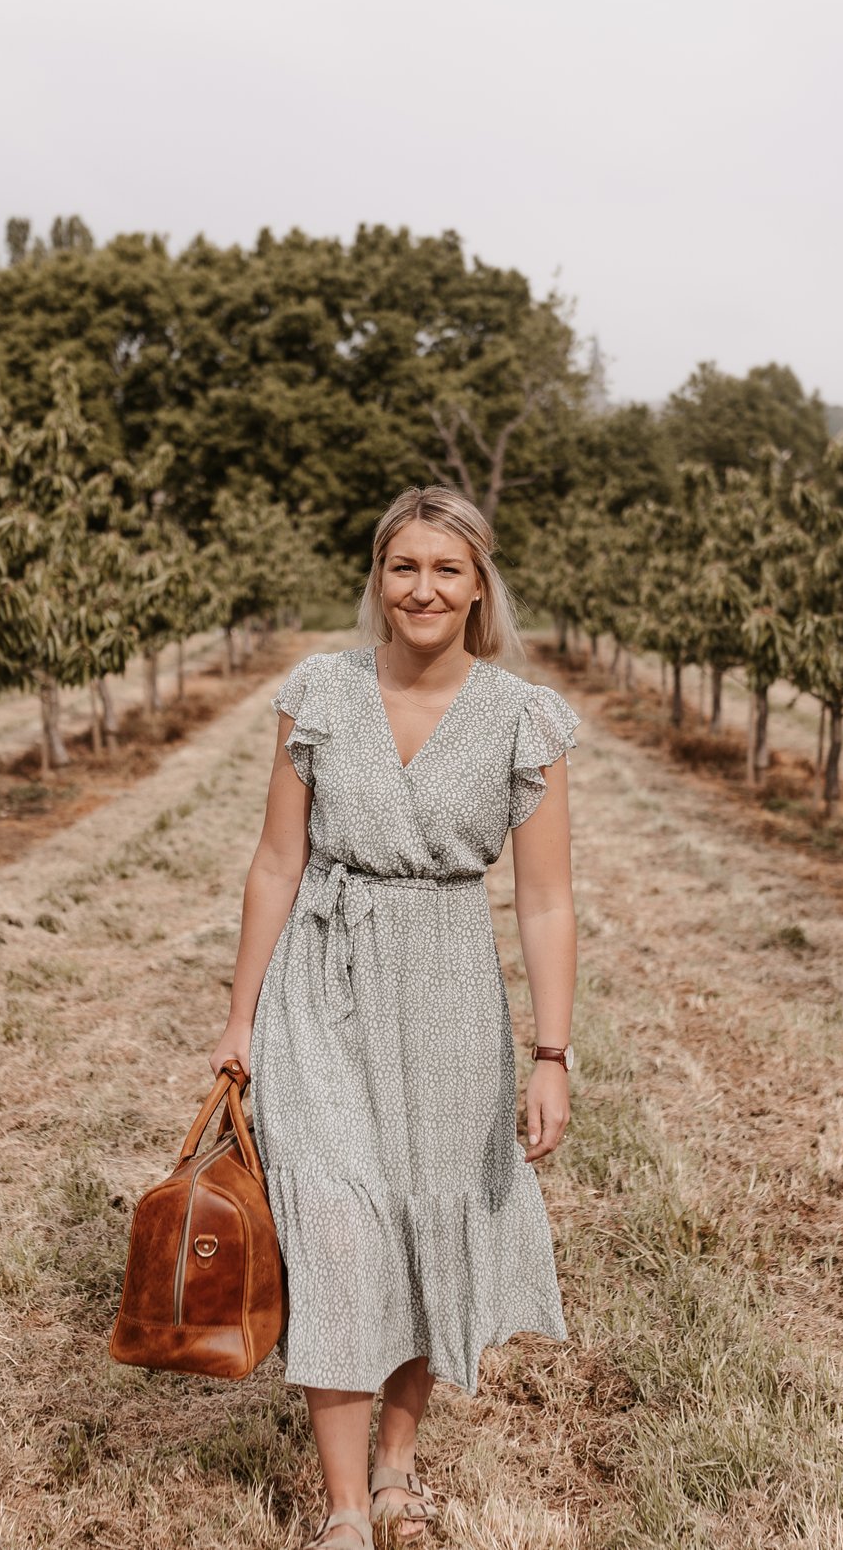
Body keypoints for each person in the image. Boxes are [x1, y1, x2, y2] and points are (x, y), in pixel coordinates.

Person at [210, 485, 581, 1549]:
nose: (423, 587)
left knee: (427, 1220)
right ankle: (339, 1508)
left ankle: (397, 1468)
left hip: (450, 991)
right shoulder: (318, 693)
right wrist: (239, 1016)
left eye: (446, 569)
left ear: (479, 586)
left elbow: (546, 901)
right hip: (322, 984)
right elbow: (277, 860)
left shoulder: (524, 718)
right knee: (333, 1227)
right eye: (403, 566)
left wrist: (550, 1052)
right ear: (378, 578)